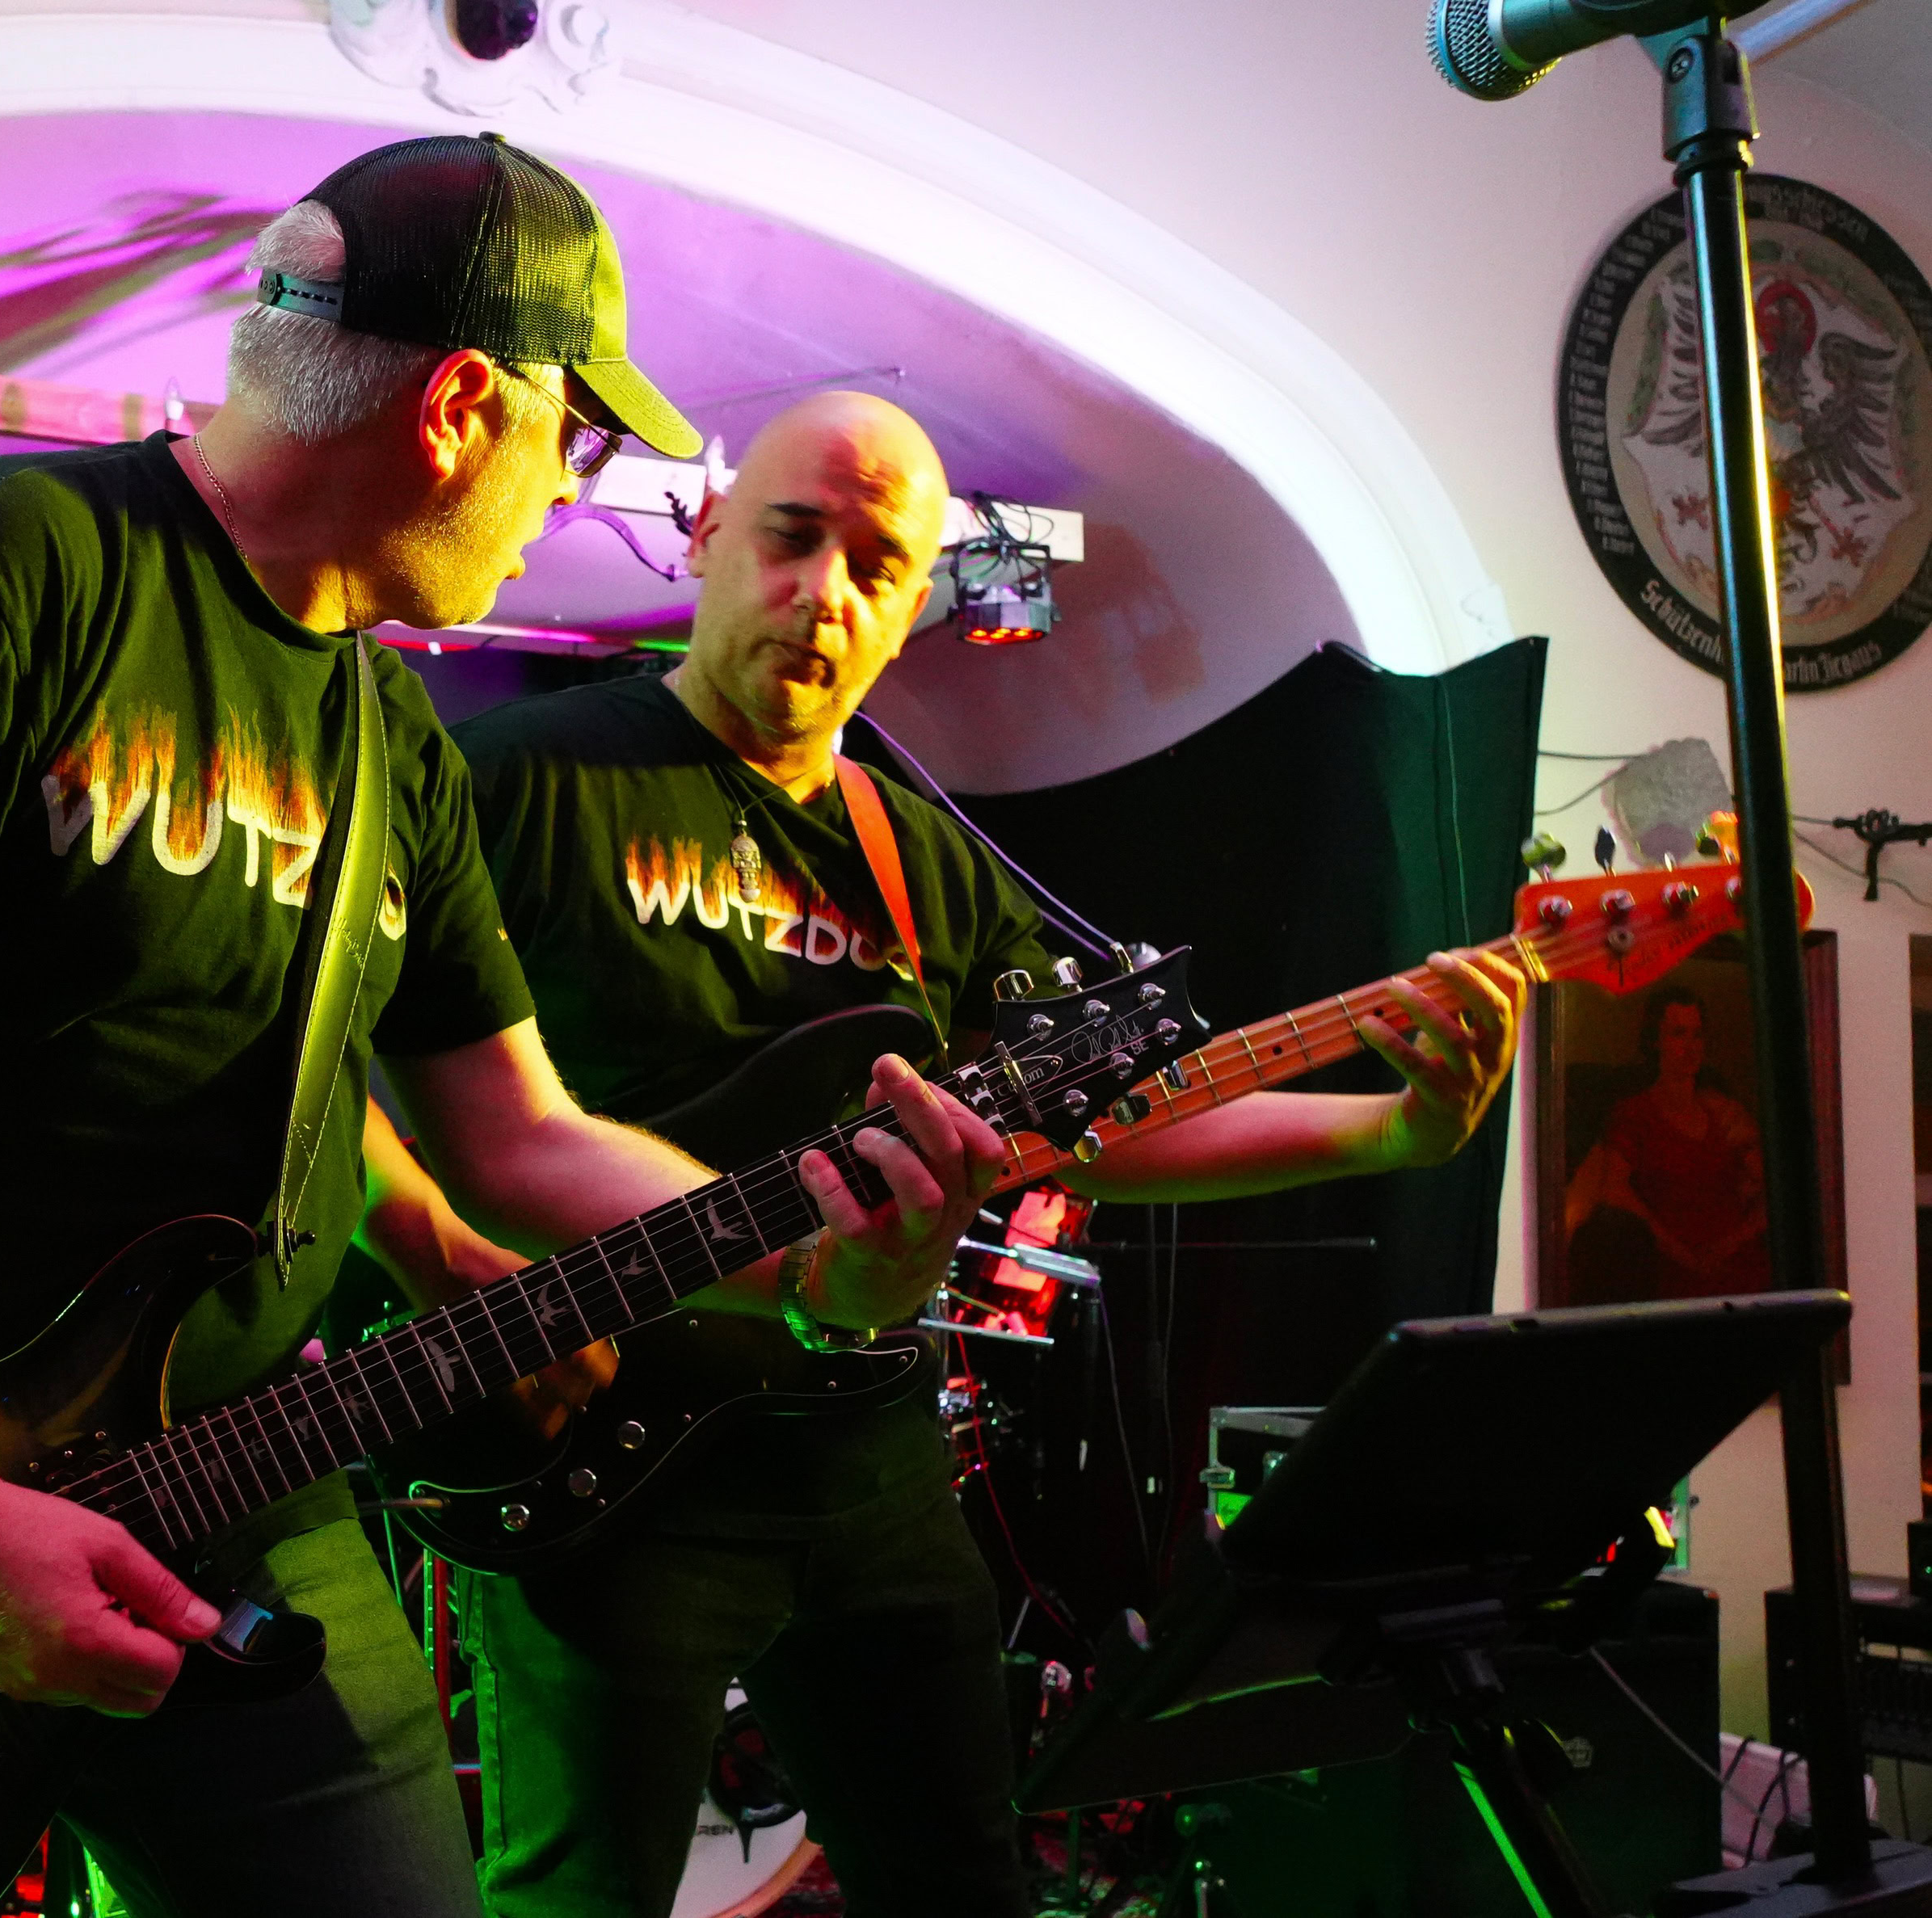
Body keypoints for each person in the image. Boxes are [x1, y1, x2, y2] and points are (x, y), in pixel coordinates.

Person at [0, 139, 1005, 1918]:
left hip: (235, 1479)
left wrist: (792, 1252)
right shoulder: (9, 563)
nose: (567, 500)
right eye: (573, 442)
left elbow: (519, 1130)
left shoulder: (394, 741)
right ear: (462, 408)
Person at [355, 390, 1528, 1917]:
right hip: (606, 1458)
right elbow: (319, 1048)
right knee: (584, 1898)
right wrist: (432, 1245)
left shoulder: (920, 854)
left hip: (866, 1458)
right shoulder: (517, 774)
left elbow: (1099, 1125)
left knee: (961, 1883)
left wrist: (1391, 1125)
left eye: (875, 567)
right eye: (790, 536)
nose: (822, 593)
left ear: (916, 605)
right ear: (705, 533)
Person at [1563, 983, 1766, 1300]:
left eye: (1697, 1035)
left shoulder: (1724, 1112)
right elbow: (1614, 1191)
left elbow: (1771, 1192)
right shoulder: (1635, 1114)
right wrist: (1685, 1256)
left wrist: (1731, 1244)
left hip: (1739, 1267)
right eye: (1678, 1034)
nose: (1690, 1047)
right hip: (1673, 1272)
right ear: (1655, 1041)